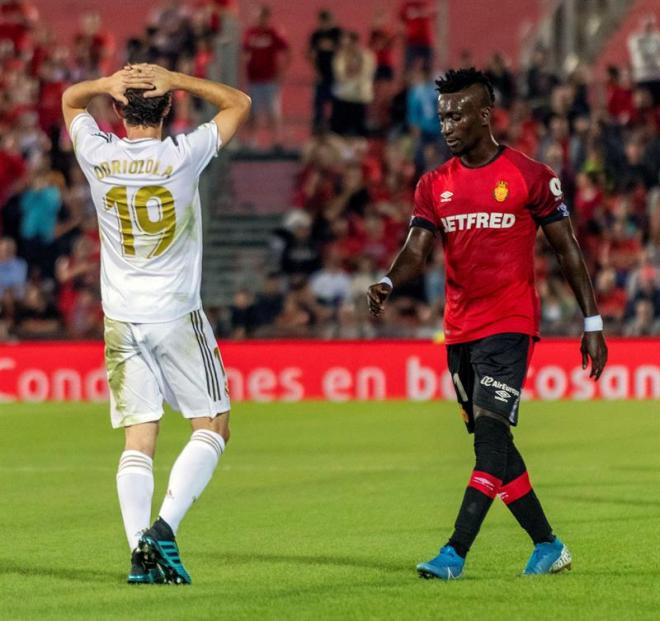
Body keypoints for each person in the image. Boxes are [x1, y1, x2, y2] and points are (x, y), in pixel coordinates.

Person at [368, 68, 608, 580]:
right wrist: (389, 282)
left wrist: (592, 321)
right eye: (442, 116)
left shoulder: (530, 175)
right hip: (459, 331)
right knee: (495, 445)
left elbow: (568, 250)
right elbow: (416, 251)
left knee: (490, 443)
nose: (447, 125)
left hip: (510, 324)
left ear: (484, 115)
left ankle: (454, 552)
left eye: (456, 115)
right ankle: (548, 545)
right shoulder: (435, 184)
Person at [61, 63, 251, 584]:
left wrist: (103, 85)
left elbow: (70, 102)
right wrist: (178, 77)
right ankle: (161, 533)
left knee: (138, 440)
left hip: (120, 317)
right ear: (167, 107)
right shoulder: (182, 155)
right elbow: (239, 103)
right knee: (213, 424)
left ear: (119, 111)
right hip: (174, 314)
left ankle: (137, 555)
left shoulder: (97, 154)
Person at [242, 5, 290, 149]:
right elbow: (244, 52)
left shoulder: (273, 33)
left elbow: (287, 51)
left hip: (269, 80)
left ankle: (276, 140)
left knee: (273, 111)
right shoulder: (250, 33)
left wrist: (282, 72)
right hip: (254, 80)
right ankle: (252, 141)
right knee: (254, 112)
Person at [308, 9, 342, 131]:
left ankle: (335, 126)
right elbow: (310, 53)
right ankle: (318, 127)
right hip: (321, 74)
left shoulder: (337, 33)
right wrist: (316, 71)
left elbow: (342, 50)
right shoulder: (316, 35)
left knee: (336, 102)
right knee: (318, 102)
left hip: (336, 74)